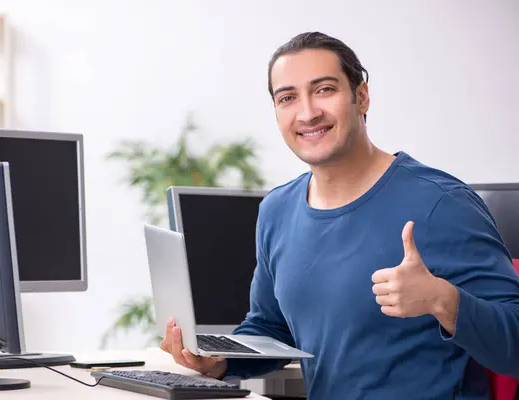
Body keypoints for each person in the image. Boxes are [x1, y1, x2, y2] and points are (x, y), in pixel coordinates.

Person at [159, 31, 519, 399]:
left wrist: (442, 299)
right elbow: (271, 327)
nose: (307, 112)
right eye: (288, 98)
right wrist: (218, 361)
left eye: (324, 90)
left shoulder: (442, 203)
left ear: (360, 96)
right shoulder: (276, 210)